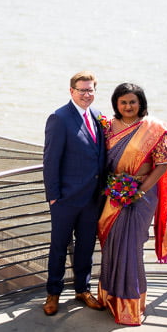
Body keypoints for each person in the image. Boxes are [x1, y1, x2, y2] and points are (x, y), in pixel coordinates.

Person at [97, 82, 167, 326]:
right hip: (113, 194)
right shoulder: (108, 127)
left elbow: (162, 165)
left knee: (131, 249)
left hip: (141, 196)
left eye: (133, 101)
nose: (128, 106)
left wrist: (138, 192)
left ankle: (130, 306)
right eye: (123, 102)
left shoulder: (154, 129)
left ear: (140, 103)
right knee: (111, 245)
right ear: (116, 104)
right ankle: (109, 297)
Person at [42, 71, 107, 316]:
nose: (87, 94)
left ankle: (83, 289)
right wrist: (54, 197)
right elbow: (51, 160)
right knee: (59, 246)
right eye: (82, 90)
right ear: (72, 91)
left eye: (90, 90)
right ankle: (53, 293)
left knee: (86, 246)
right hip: (65, 199)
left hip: (92, 198)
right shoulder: (59, 118)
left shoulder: (99, 116)